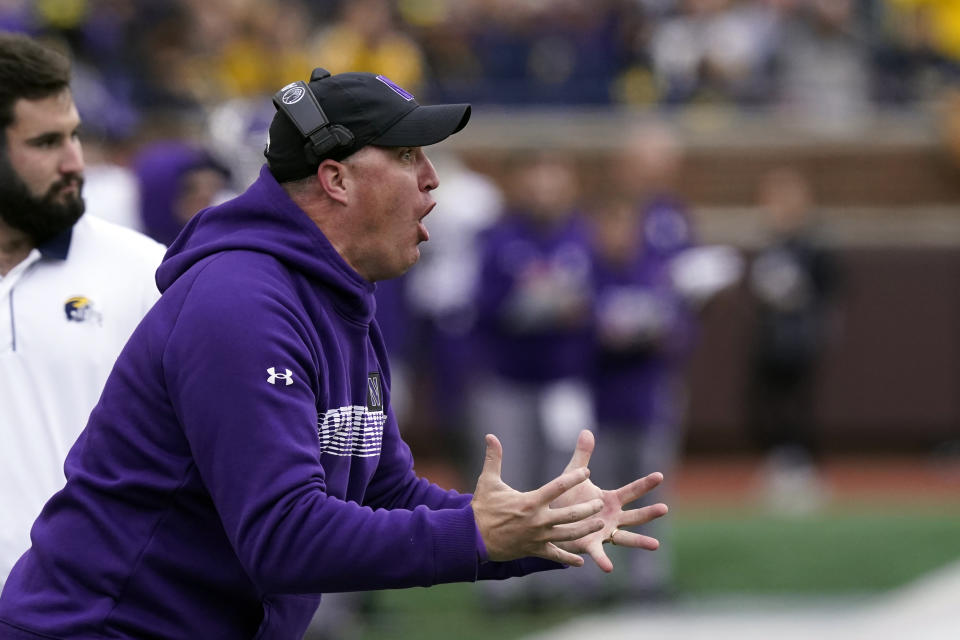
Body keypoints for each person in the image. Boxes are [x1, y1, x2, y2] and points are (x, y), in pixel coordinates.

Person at [0, 68, 668, 639]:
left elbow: (385, 493)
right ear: (336, 178)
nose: (433, 180)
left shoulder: (335, 298)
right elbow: (283, 538)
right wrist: (477, 536)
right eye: (409, 155)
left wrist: (535, 530)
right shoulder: (242, 302)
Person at [0, 32, 166, 589]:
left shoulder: (149, 274)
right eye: (47, 143)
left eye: (75, 136)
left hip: (91, 615)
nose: (76, 162)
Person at [748, 166, 839, 513]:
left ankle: (805, 472)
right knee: (766, 405)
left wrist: (800, 295)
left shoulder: (814, 244)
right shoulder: (771, 242)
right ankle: (781, 465)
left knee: (800, 406)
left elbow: (832, 288)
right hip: (771, 338)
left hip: (800, 339)